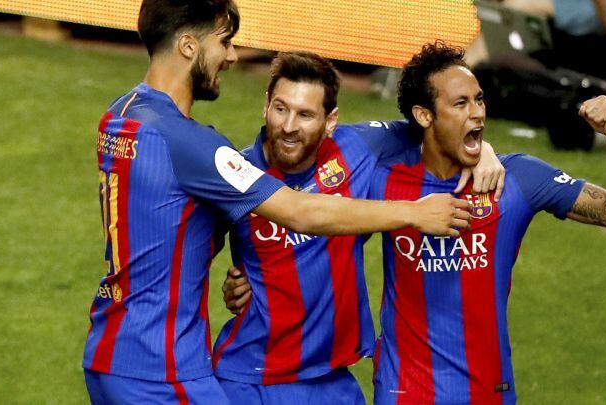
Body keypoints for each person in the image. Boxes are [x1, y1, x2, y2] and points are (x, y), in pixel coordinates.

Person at [82, 1, 470, 403]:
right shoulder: (195, 145)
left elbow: (172, 219)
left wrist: (255, 272)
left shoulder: (119, 117)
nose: (232, 57)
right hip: (159, 367)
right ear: (187, 46)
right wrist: (414, 213)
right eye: (224, 42)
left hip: (109, 350)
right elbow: (301, 211)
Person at [212, 51, 504, 404]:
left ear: (330, 120)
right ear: (265, 106)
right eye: (280, 108)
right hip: (250, 378)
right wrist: (233, 285)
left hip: (333, 380)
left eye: (305, 114)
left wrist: (482, 149)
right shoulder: (236, 175)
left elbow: (439, 127)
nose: (288, 126)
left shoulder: (358, 148)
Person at [366, 42, 606, 404]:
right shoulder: (383, 179)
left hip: (489, 392)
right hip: (403, 391)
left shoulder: (519, 178)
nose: (478, 113)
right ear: (424, 115)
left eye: (479, 100)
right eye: (461, 103)